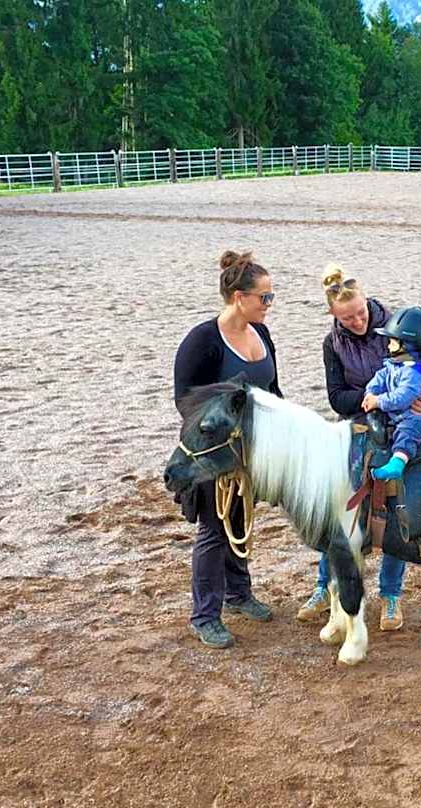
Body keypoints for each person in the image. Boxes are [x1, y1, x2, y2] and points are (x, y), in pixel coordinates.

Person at [295, 266, 421, 631]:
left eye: (361, 312)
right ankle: (324, 585)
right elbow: (336, 397)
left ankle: (391, 595)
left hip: (398, 418)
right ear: (334, 316)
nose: (357, 321)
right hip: (358, 420)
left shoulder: (396, 331)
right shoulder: (333, 344)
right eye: (347, 318)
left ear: (369, 303)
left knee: (399, 505)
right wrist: (370, 398)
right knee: (336, 508)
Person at [173, 250, 282, 649]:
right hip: (214, 451)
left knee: (239, 520)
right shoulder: (203, 341)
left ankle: (239, 594)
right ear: (239, 297)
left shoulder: (262, 334)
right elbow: (185, 401)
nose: (270, 305)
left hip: (250, 449)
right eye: (264, 298)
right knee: (214, 529)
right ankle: (205, 615)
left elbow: (272, 390)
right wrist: (227, 430)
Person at [362, 306, 421, 480]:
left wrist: (378, 401)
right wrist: (370, 393)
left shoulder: (413, 373)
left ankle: (398, 462)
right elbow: (379, 378)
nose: (388, 345)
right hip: (398, 415)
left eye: (392, 341)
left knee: (408, 432)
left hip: (417, 416)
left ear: (407, 345)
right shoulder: (395, 364)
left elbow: (402, 398)